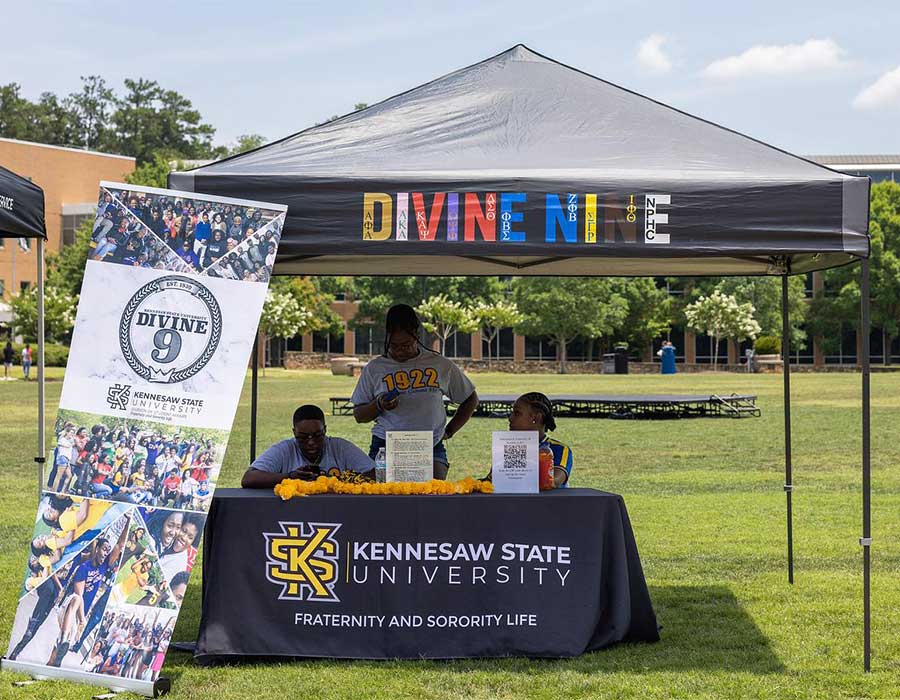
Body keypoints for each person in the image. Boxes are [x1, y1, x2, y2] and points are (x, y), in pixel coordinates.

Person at [351, 304, 478, 479]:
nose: (400, 351)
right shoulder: (375, 368)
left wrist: (450, 430)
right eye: (394, 345)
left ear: (417, 334)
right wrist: (379, 404)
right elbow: (359, 415)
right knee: (381, 499)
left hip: (430, 446)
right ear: (387, 337)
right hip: (387, 445)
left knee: (432, 498)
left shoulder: (439, 364)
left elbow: (470, 398)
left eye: (406, 345)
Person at [48, 523, 128, 667]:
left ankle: (55, 659)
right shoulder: (84, 568)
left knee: (58, 651)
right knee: (77, 599)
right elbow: (79, 593)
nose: (105, 553)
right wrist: (82, 619)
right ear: (96, 549)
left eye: (107, 551)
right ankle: (63, 639)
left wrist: (128, 521)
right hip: (70, 609)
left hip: (81, 615)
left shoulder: (104, 567)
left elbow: (120, 545)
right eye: (104, 549)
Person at [242, 405, 375, 488]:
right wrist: (290, 477)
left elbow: (375, 474)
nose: (311, 442)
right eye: (303, 437)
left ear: (325, 430)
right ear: (294, 432)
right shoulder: (285, 449)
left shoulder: (339, 447)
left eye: (317, 435)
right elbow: (249, 478)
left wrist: (338, 481)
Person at [507, 392, 573, 488]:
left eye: (517, 413)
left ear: (536, 418)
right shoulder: (508, 448)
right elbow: (492, 481)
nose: (510, 418)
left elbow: (554, 481)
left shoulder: (558, 449)